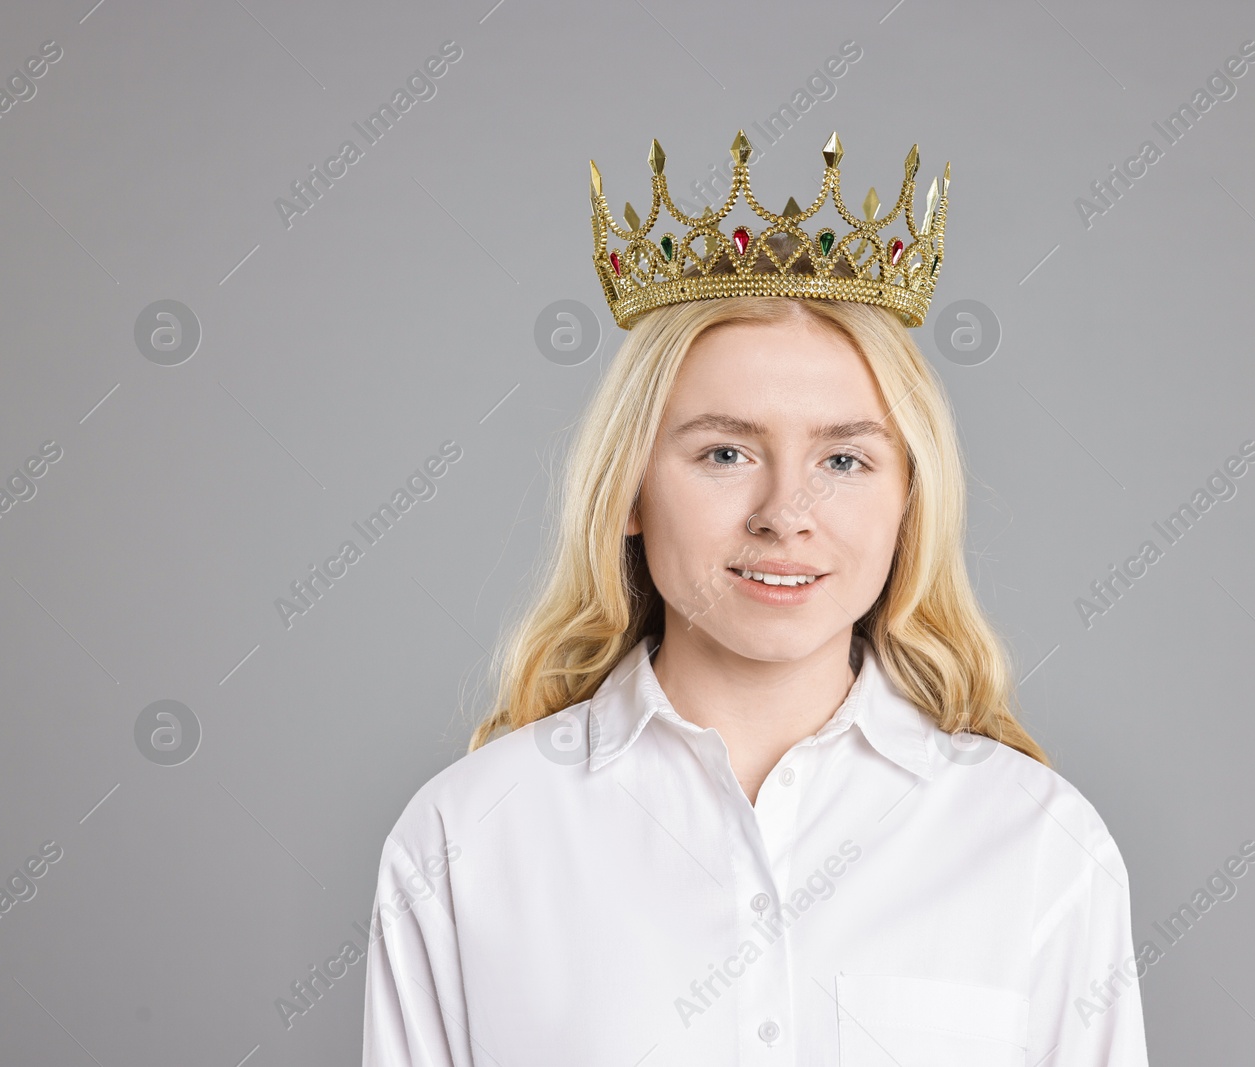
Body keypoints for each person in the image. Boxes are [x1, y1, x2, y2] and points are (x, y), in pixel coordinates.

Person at [362, 130, 1149, 1066]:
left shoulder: (1041, 845)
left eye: (844, 459)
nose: (786, 513)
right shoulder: (464, 841)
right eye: (724, 453)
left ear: (910, 499)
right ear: (627, 492)